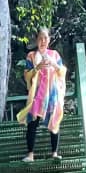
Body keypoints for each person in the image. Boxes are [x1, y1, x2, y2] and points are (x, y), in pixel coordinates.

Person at [17, 29, 67, 162]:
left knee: (54, 121)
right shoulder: (31, 56)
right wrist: (37, 67)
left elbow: (62, 72)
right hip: (37, 95)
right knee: (32, 123)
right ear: (36, 40)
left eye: (45, 38)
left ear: (49, 40)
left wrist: (54, 64)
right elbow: (27, 75)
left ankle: (54, 153)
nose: (43, 41)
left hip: (52, 94)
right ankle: (30, 154)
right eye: (40, 38)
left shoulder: (54, 55)